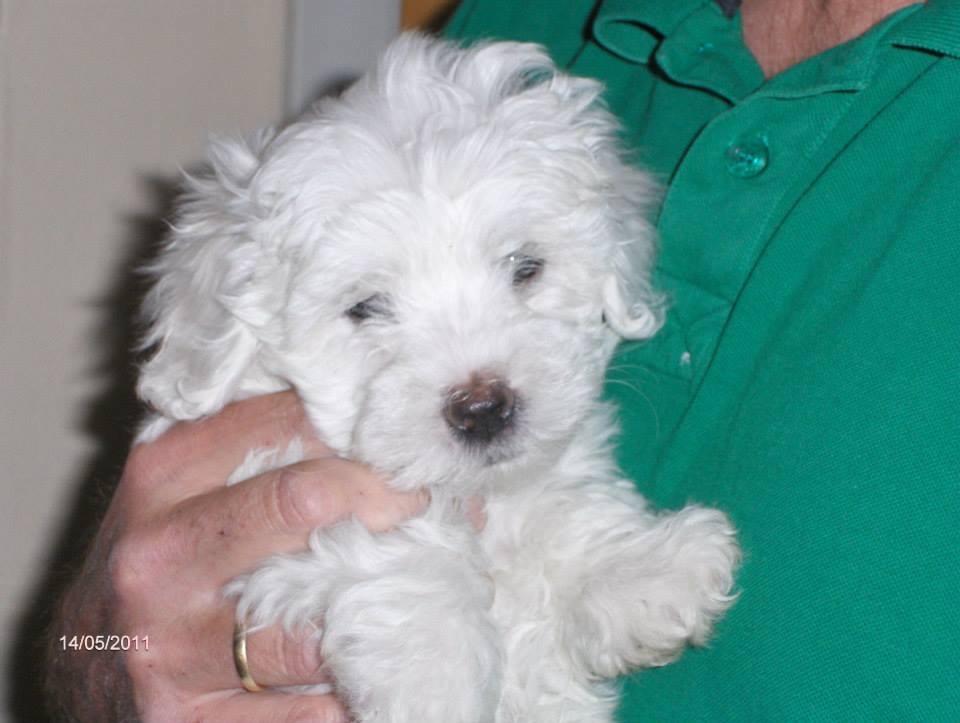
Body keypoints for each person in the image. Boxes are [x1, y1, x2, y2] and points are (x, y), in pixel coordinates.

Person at [48, 0, 960, 719]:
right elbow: (109, 646)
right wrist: (94, 650)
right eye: (368, 307)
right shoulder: (531, 23)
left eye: (523, 270)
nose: (477, 388)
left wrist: (588, 568)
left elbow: (543, 504)